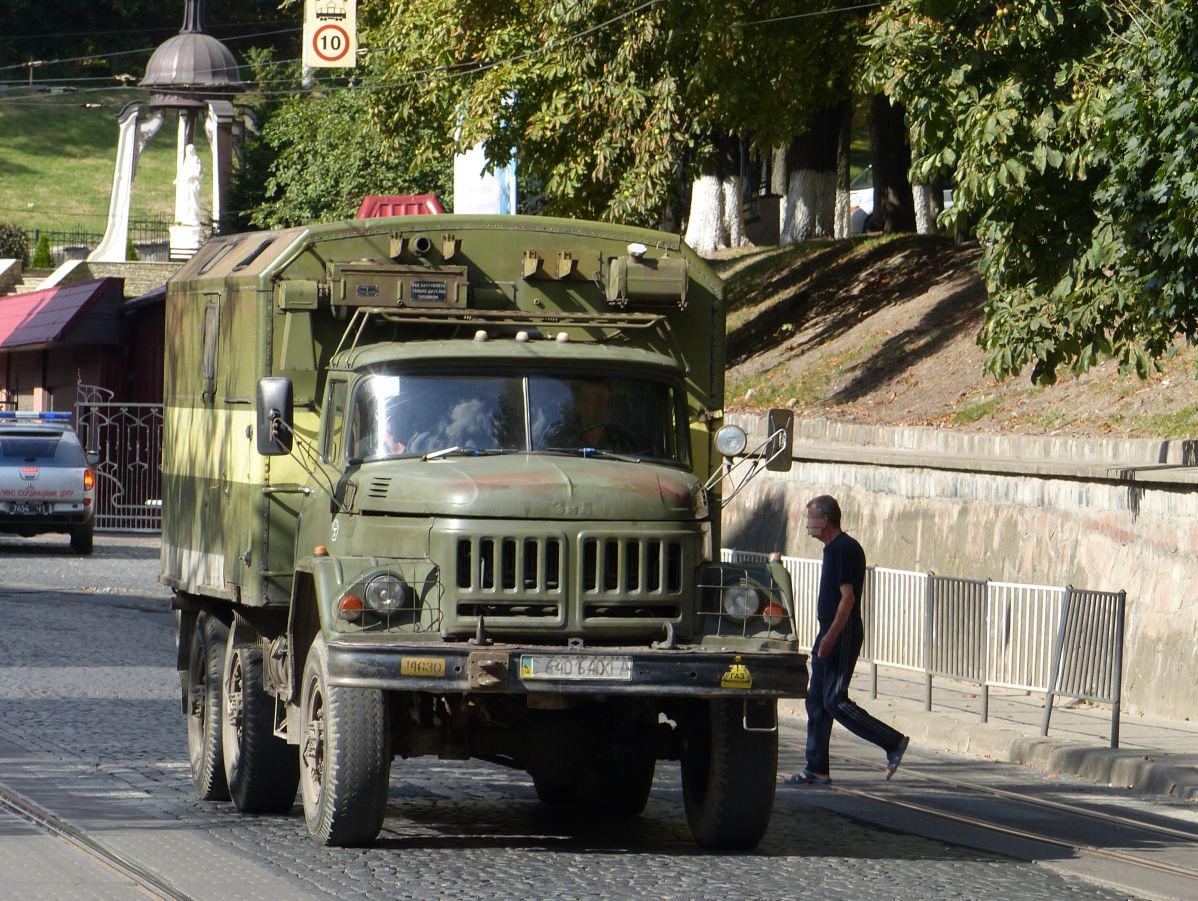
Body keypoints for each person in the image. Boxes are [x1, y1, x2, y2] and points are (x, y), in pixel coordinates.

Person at [787, 495, 909, 785]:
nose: (807, 525)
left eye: (810, 519)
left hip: (841, 631)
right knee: (816, 700)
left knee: (833, 700)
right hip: (828, 630)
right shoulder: (832, 549)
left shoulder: (843, 548)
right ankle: (816, 769)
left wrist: (830, 637)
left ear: (825, 520)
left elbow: (848, 599)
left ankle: (892, 742)